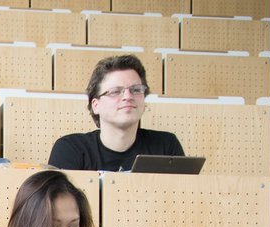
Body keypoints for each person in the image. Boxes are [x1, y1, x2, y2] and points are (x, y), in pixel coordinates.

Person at [47, 55, 184, 172]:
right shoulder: (69, 149)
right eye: (115, 91)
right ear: (96, 105)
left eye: (136, 90)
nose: (127, 96)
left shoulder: (167, 146)